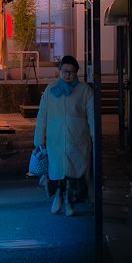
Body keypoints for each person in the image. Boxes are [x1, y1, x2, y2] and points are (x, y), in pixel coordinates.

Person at [33, 54, 94, 217]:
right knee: (58, 170)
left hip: (78, 137)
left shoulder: (85, 90)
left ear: (77, 73)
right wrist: (39, 138)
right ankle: (58, 198)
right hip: (56, 138)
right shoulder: (51, 90)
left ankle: (69, 201)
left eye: (72, 72)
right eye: (65, 71)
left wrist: (95, 135)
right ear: (59, 71)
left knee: (74, 172)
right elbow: (43, 115)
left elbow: (92, 116)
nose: (68, 74)